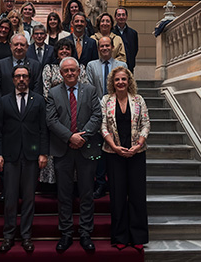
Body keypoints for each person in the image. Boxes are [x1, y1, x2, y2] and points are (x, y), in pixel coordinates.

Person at [46, 57, 102, 253]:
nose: (70, 73)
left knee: (86, 194)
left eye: (73, 70)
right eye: (66, 71)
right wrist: (70, 137)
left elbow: (97, 115)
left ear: (79, 72)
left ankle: (86, 233)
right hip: (63, 149)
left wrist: (82, 137)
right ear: (61, 73)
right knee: (64, 195)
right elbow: (51, 121)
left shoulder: (91, 91)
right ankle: (66, 233)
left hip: (86, 149)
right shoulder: (53, 93)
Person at [0, 65, 49, 254]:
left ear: (30, 79)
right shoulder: (3, 101)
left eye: (25, 76)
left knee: (28, 199)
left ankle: (26, 235)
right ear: (13, 79)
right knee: (9, 199)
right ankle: (8, 235)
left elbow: (43, 129)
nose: (22, 79)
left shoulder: (39, 100)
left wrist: (43, 153)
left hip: (32, 157)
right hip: (10, 157)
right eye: (18, 76)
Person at [100, 67, 150, 250]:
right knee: (118, 196)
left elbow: (146, 124)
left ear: (129, 81)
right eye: (117, 80)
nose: (120, 82)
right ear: (112, 83)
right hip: (114, 154)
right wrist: (114, 146)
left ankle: (137, 236)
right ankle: (120, 236)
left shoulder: (138, 100)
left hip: (137, 154)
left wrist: (138, 145)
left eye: (123, 79)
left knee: (137, 195)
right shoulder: (106, 100)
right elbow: (103, 126)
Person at [39, 38, 90, 188]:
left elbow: (85, 88)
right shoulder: (49, 68)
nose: (64, 51)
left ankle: (73, 183)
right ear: (56, 52)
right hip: (56, 114)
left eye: (67, 49)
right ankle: (52, 184)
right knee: (58, 152)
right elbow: (46, 91)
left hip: (77, 113)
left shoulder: (80, 67)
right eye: (61, 49)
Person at [86, 36, 128, 199]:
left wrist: (114, 106)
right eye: (101, 46)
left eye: (107, 46)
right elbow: (90, 88)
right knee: (100, 150)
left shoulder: (122, 65)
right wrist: (103, 107)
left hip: (119, 112)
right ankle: (101, 183)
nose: (104, 48)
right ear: (98, 48)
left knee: (117, 146)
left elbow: (127, 86)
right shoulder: (91, 66)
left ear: (112, 48)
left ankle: (117, 183)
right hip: (98, 112)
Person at [0, 34, 42, 110]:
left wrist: (33, 108)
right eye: (16, 44)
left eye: (22, 45)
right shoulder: (0, 64)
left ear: (27, 47)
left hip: (29, 110)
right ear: (10, 46)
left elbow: (37, 89)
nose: (19, 47)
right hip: (5, 109)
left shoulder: (35, 65)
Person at [113, 7, 139, 74]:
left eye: (123, 15)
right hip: (114, 67)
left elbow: (135, 49)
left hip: (129, 67)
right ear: (115, 17)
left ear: (126, 17)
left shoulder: (133, 33)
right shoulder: (111, 32)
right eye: (119, 15)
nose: (121, 17)